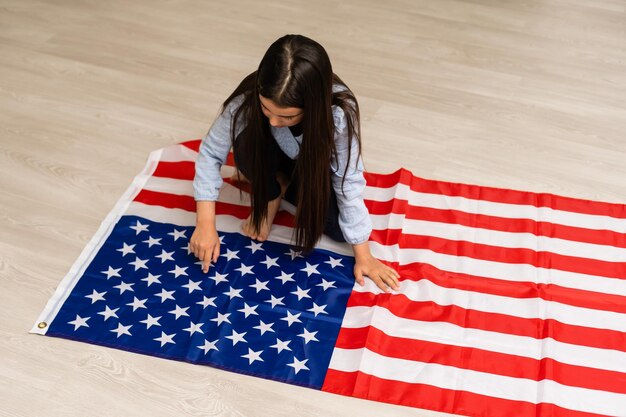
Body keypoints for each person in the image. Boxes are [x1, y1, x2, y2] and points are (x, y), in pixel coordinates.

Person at [190, 34, 400, 292]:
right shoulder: (247, 97)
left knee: (337, 229)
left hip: (309, 170)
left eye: (287, 116)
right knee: (245, 141)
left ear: (313, 105)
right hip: (262, 155)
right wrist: (205, 224)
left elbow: (348, 180)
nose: (274, 122)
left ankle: (283, 181)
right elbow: (211, 154)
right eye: (267, 109)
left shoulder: (339, 112)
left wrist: (363, 254)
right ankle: (270, 190)